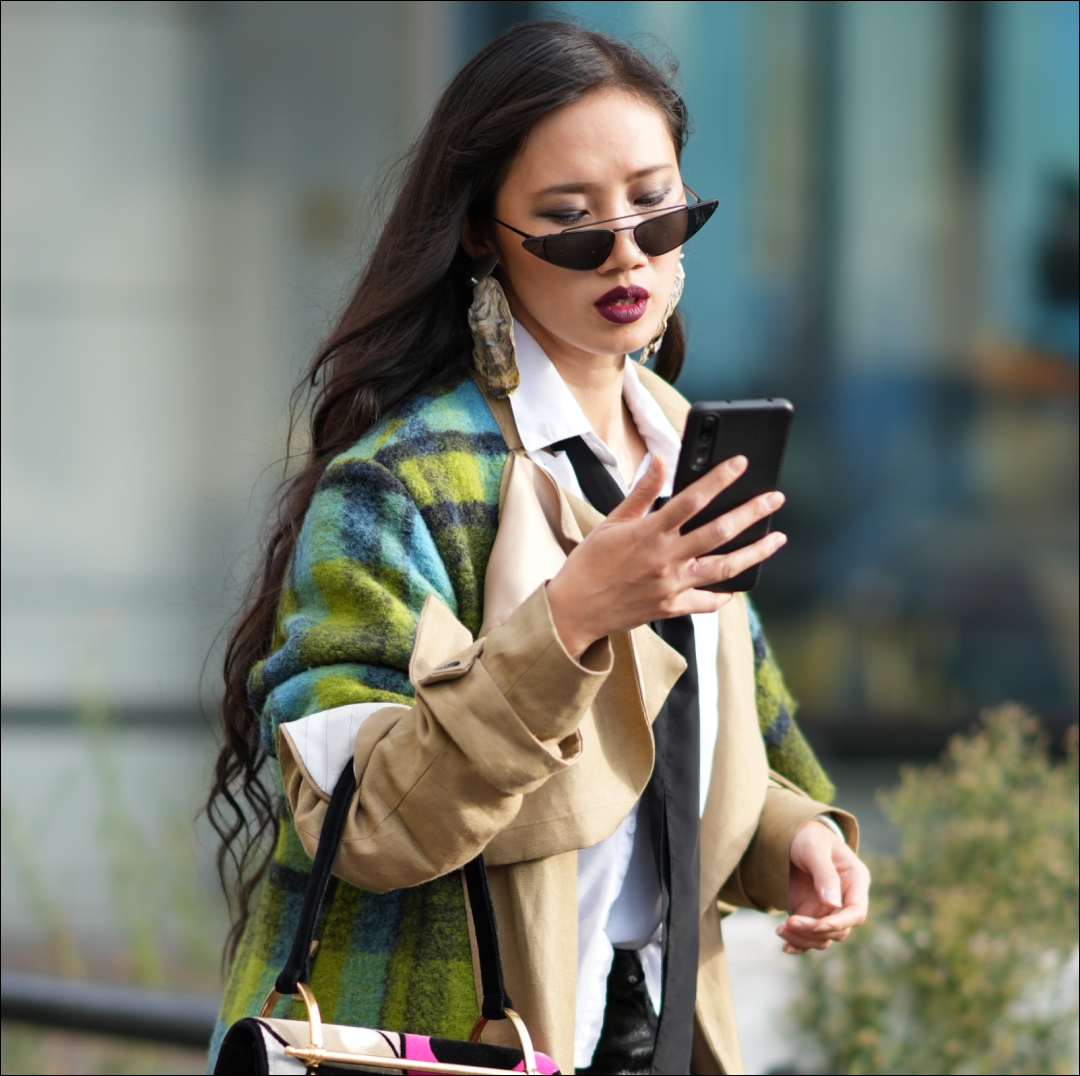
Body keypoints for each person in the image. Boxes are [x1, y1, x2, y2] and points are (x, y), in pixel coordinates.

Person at [206, 21, 870, 1076]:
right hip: (461, 1036)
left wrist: (795, 837)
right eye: (570, 223)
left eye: (657, 207)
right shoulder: (404, 482)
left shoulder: (674, 447)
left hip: (653, 1025)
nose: (626, 254)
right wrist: (568, 621)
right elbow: (368, 821)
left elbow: (703, 749)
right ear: (481, 231)